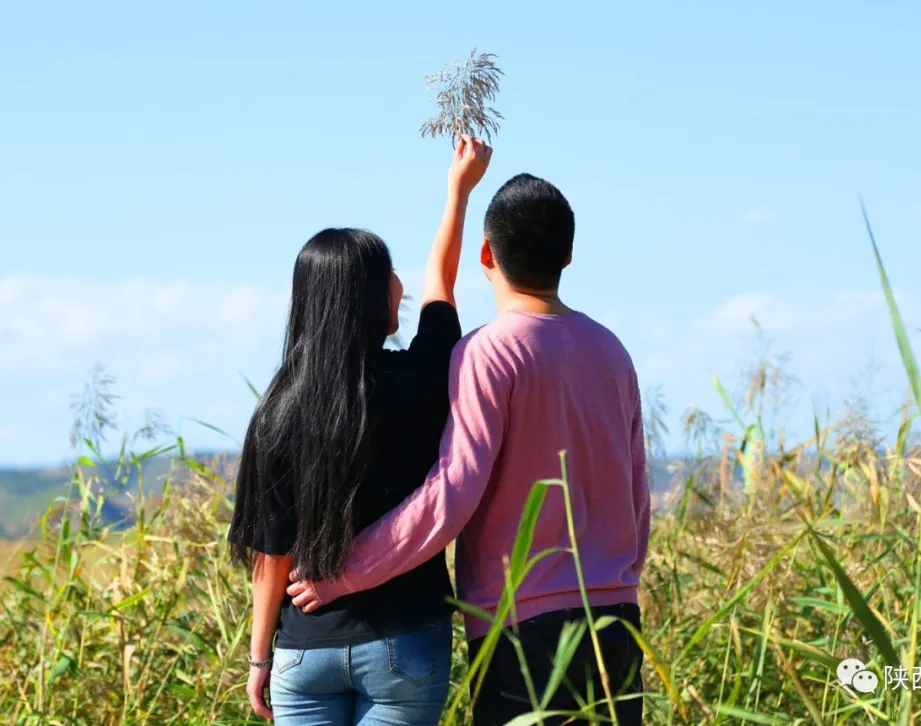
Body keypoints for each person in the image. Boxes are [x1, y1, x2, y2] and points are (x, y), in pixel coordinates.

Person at [287, 172, 651, 725]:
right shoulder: (612, 352)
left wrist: (345, 572)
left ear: (487, 252)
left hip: (523, 629)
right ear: (569, 255)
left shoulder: (487, 353)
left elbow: (451, 494)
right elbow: (637, 497)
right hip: (616, 618)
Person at [226, 136, 493, 725]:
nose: (402, 283)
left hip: (303, 648)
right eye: (389, 274)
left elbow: (272, 555)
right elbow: (442, 285)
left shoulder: (278, 411)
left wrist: (257, 658)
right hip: (405, 638)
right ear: (370, 298)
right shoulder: (421, 377)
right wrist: (458, 191)